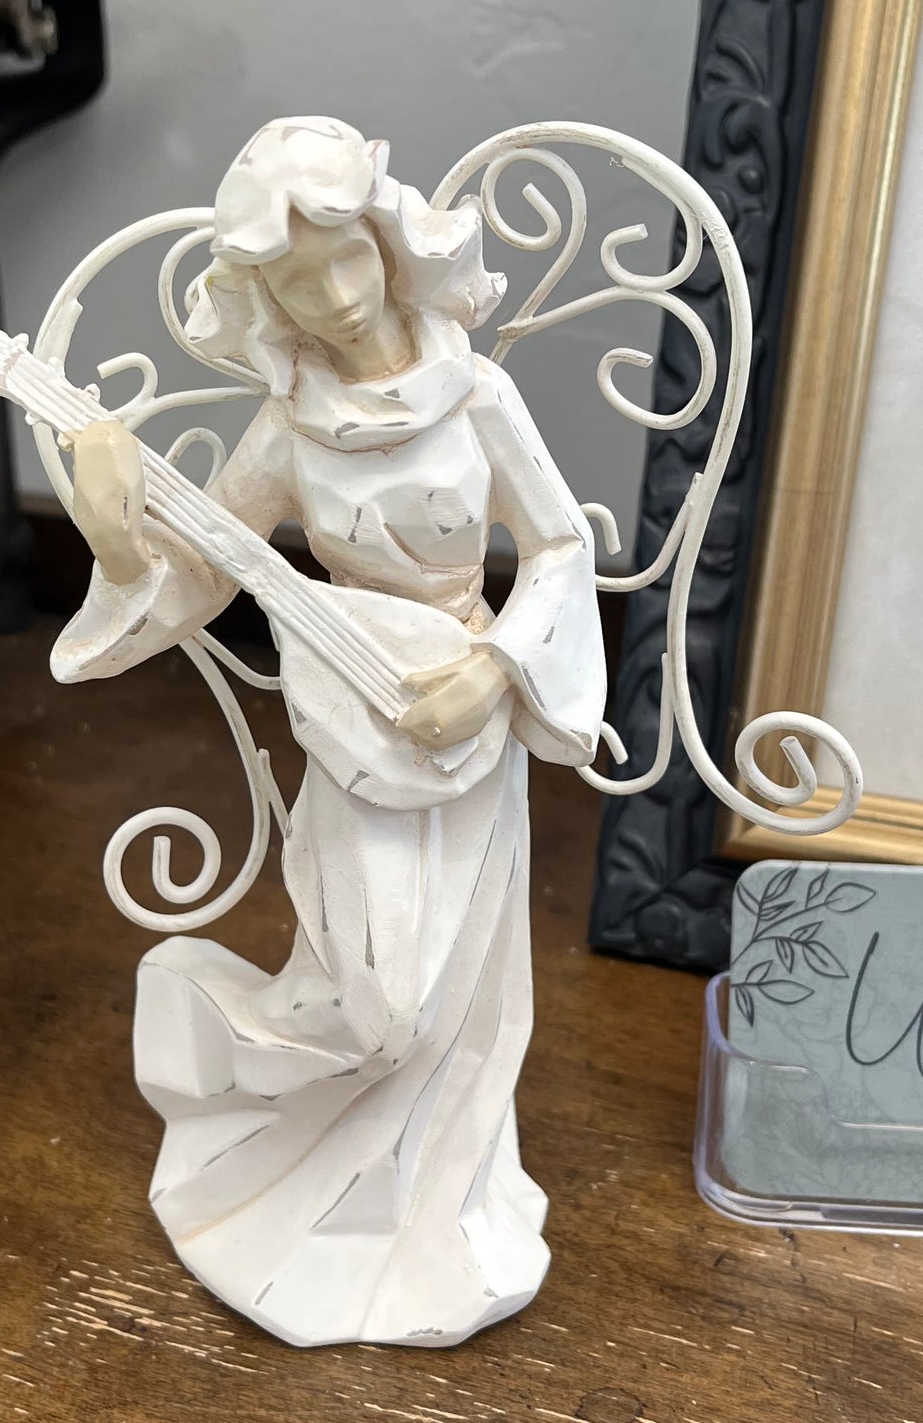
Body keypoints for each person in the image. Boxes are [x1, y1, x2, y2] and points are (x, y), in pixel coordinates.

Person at [54, 116, 606, 1347]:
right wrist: (114, 541)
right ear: (270, 302)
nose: (339, 297)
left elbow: (560, 545)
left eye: (349, 258)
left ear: (391, 246)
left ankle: (429, 1218)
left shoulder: (478, 394)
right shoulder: (290, 427)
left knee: (461, 1006)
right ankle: (226, 1074)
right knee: (378, 1002)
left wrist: (496, 669)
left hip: (462, 722)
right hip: (359, 738)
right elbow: (203, 572)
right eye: (301, 282)